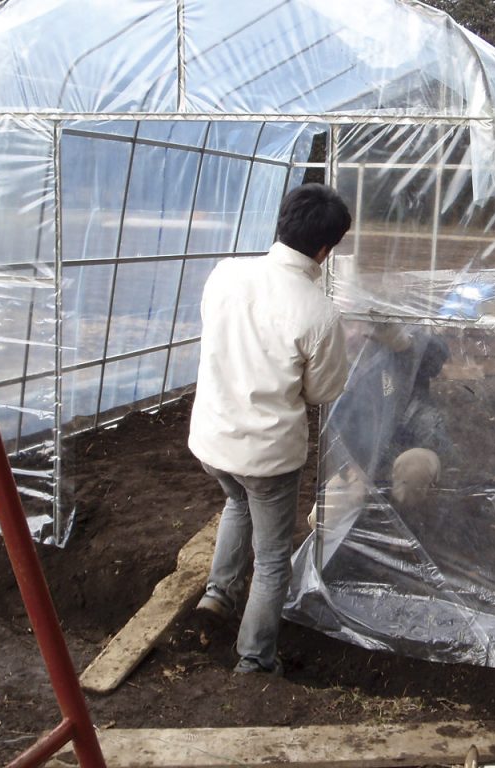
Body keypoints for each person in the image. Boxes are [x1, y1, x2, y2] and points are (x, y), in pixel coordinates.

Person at [188, 183, 352, 675]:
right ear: (325, 249)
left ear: (282, 224)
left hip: (212, 440)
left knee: (237, 500)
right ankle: (255, 660)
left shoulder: (225, 273)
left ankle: (218, 593)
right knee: (274, 555)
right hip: (266, 455)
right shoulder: (318, 312)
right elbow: (322, 393)